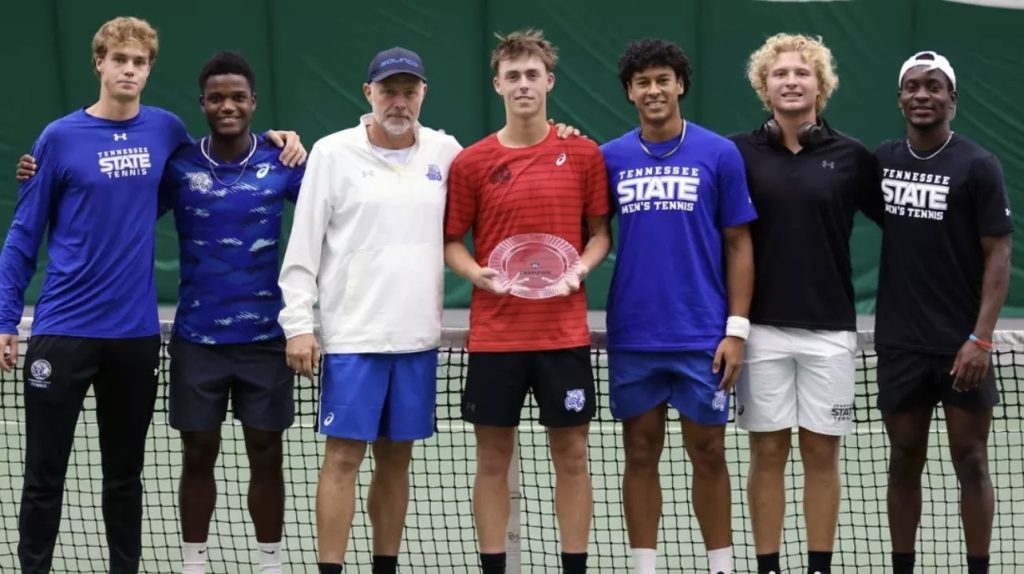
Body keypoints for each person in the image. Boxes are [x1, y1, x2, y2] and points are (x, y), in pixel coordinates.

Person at [1, 17, 302, 573]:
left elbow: (227, 162)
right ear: (99, 63)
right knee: (44, 474)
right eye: (119, 60)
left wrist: (285, 139)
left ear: (149, 69)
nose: (129, 70)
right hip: (60, 332)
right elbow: (23, 234)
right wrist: (3, 318)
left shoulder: (166, 133)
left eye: (139, 62)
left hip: (134, 338)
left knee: (124, 475)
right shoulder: (58, 138)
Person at [277, 47, 462, 574]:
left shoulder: (447, 153)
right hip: (352, 339)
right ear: (369, 95)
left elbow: (503, 167)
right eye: (388, 91)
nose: (399, 102)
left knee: (397, 460)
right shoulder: (332, 155)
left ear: (423, 94)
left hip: (416, 341)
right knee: (342, 459)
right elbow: (303, 249)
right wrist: (298, 325)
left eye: (409, 91)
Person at [443, 29, 612, 574]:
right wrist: (478, 274)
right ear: (497, 85)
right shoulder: (471, 162)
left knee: (574, 457)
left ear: (549, 81)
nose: (522, 84)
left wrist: (579, 271)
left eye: (531, 74)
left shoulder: (582, 152)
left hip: (563, 335)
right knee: (492, 461)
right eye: (512, 76)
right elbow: (452, 242)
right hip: (496, 336)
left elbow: (599, 234)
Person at [728, 33, 883, 574]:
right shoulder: (737, 153)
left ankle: (819, 567)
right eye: (780, 74)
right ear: (764, 86)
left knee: (822, 456)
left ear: (821, 84)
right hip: (760, 332)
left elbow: (904, 226)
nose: (791, 81)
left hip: (830, 332)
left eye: (802, 73)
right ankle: (767, 566)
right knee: (767, 455)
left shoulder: (853, 157)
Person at [600, 38, 755, 574]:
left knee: (709, 454)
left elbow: (739, 242)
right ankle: (645, 566)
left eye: (663, 79)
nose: (654, 90)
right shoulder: (610, 157)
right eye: (642, 82)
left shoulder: (719, 154)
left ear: (680, 84)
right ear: (630, 93)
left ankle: (721, 567)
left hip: (703, 337)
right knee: (639, 454)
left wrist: (735, 329)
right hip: (634, 336)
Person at [158, 51, 304, 574]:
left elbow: (339, 207)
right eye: (216, 97)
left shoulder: (283, 163)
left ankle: (270, 563)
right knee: (198, 454)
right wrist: (38, 172)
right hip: (197, 342)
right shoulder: (177, 166)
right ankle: (194, 563)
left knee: (267, 454)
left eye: (237, 97)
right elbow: (114, 201)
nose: (227, 106)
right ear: (202, 104)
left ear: (253, 103)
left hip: (267, 340)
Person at [875, 51, 1012, 574]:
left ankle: (978, 569)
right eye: (912, 86)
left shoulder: (979, 165)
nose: (922, 95)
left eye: (934, 87)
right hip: (901, 345)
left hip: (963, 347)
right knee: (903, 460)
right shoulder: (883, 161)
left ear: (952, 99)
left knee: (971, 460)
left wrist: (980, 339)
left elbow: (998, 254)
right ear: (900, 98)